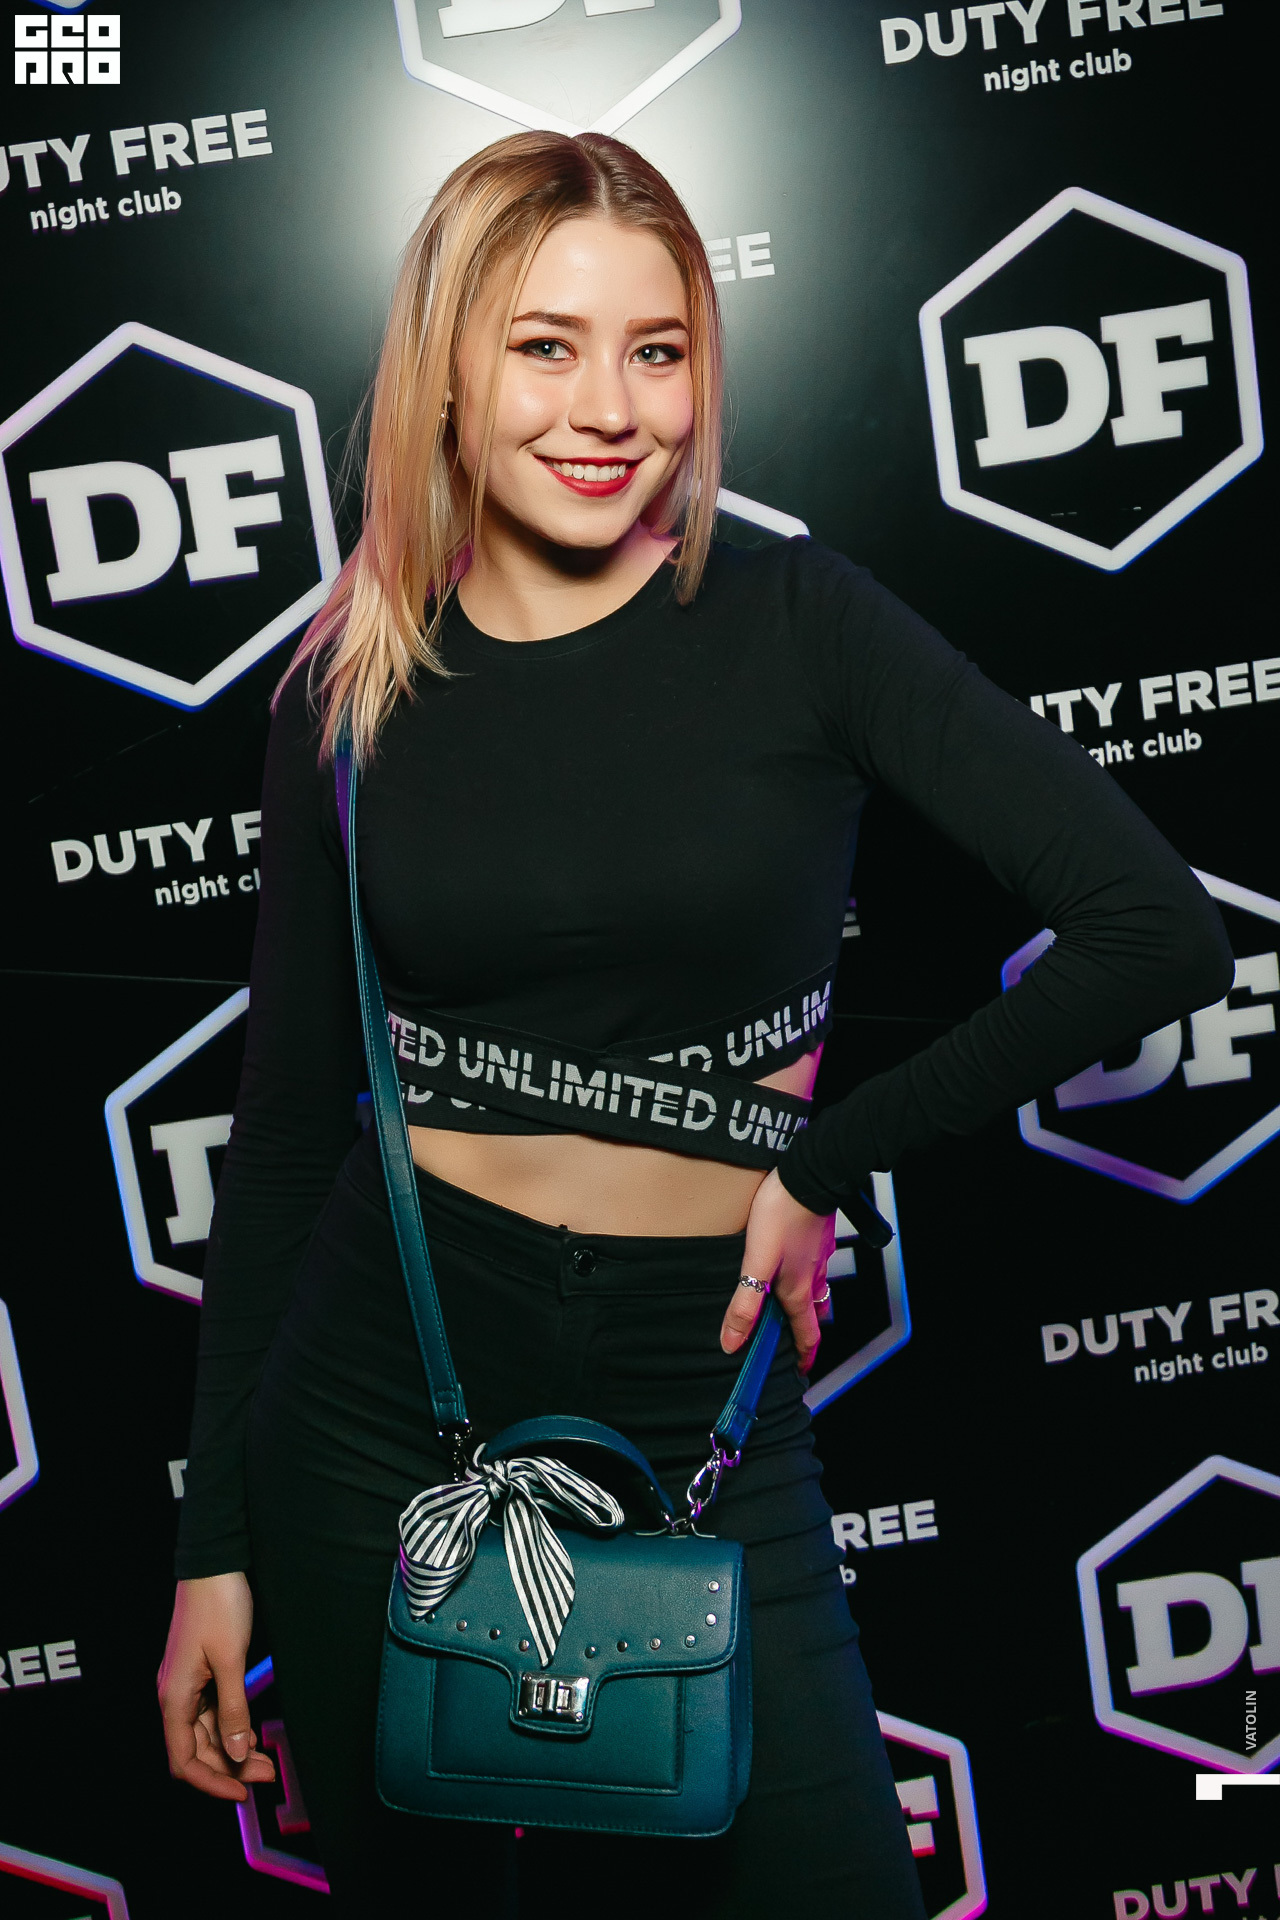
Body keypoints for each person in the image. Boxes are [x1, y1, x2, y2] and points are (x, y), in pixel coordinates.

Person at [156, 130, 1231, 1916]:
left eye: (654, 350)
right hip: (376, 1407)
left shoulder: (801, 622)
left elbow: (1155, 930)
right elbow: (282, 1131)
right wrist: (216, 1556)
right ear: (447, 368)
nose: (609, 408)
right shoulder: (352, 679)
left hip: (696, 1388)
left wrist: (827, 1159)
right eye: (545, 345)